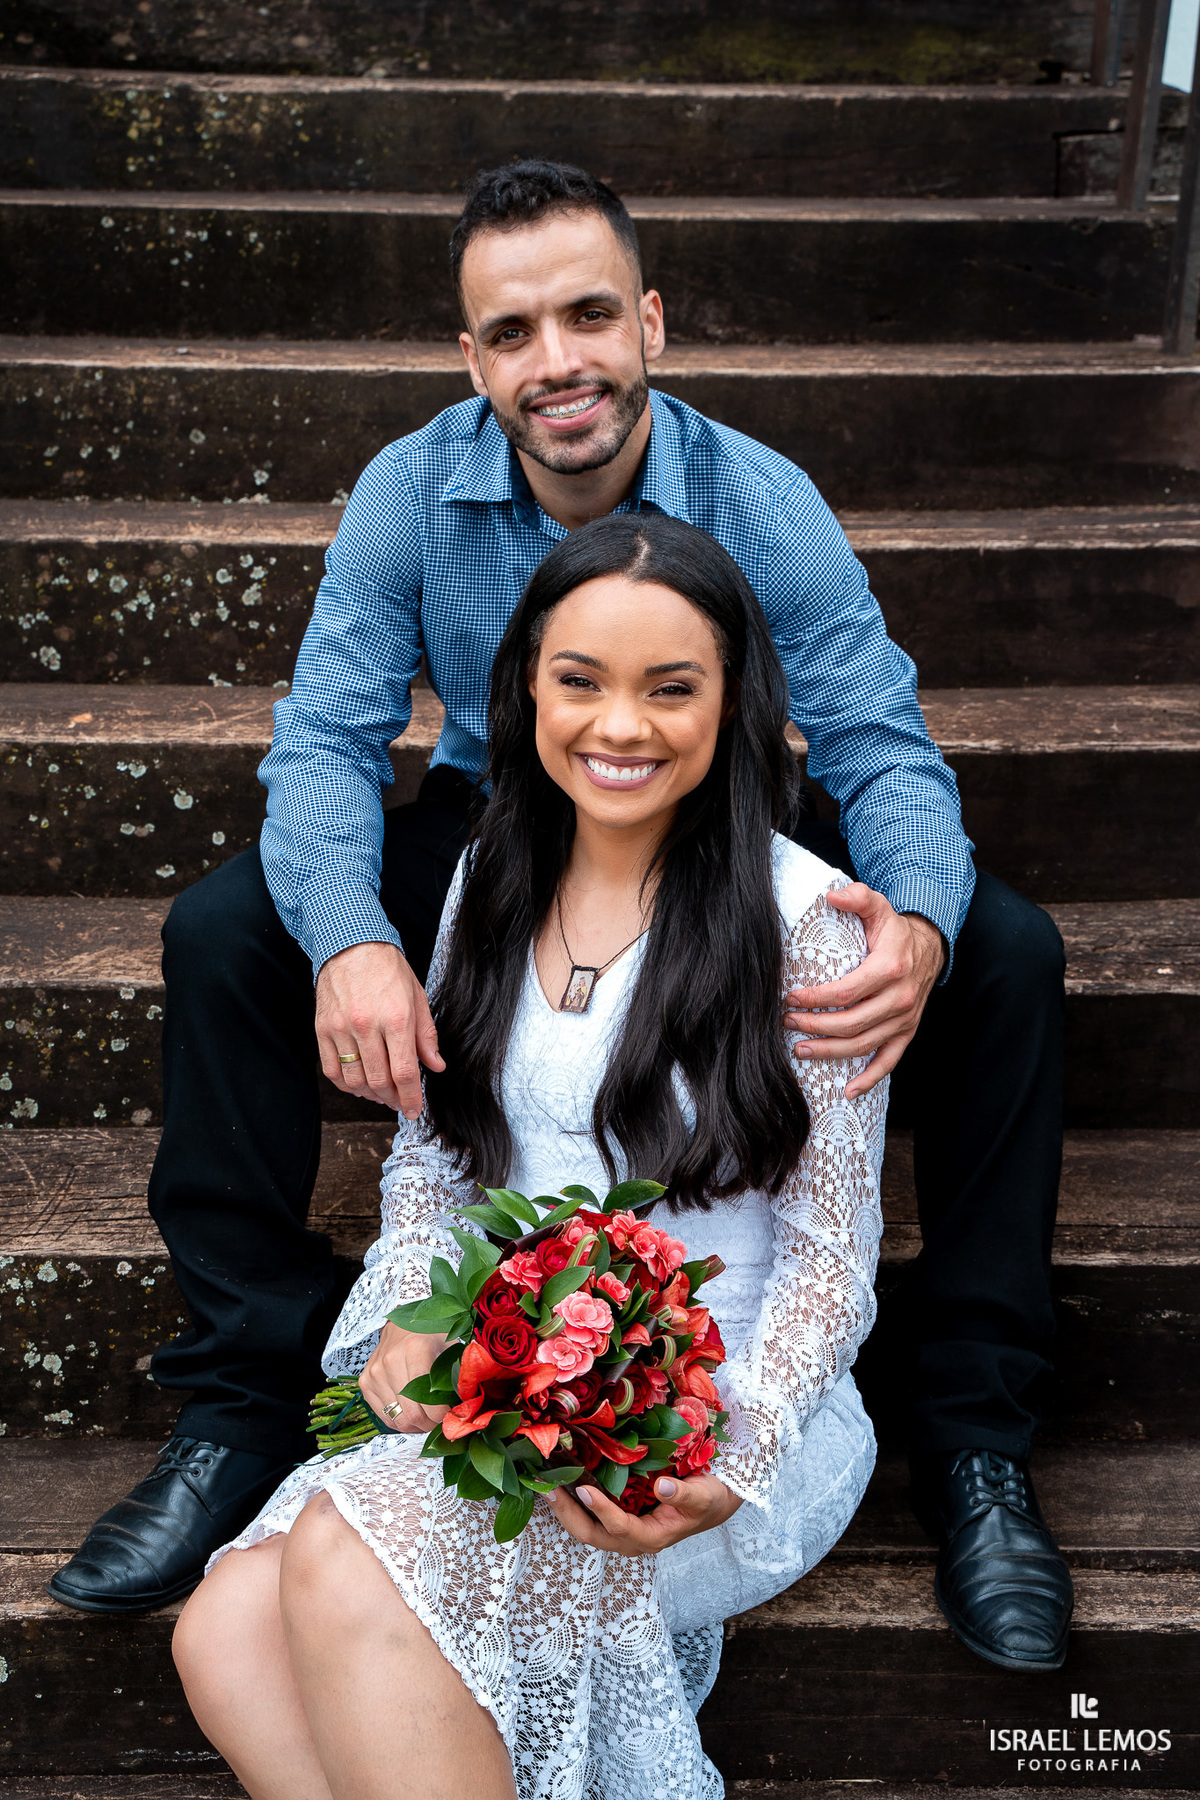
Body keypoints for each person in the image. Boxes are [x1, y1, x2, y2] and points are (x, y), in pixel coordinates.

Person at [50, 160, 1071, 1673]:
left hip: (727, 813)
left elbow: (875, 738)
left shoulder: (759, 498)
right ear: (474, 357)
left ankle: (975, 1435)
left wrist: (915, 916)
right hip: (504, 818)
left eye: (589, 315)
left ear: (649, 321)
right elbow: (326, 743)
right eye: (513, 330)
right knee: (222, 935)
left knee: (1006, 951)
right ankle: (241, 1402)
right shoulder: (411, 487)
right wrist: (353, 940)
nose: (558, 362)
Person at [171, 512, 887, 1800]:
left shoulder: (808, 926)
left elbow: (833, 1259)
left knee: (337, 1562)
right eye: (582, 681)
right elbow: (439, 1163)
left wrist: (733, 1456)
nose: (622, 725)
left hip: (710, 1422)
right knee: (221, 1626)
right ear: (529, 689)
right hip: (511, 1388)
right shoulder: (492, 875)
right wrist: (405, 1315)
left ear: (734, 703)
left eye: (673, 688)